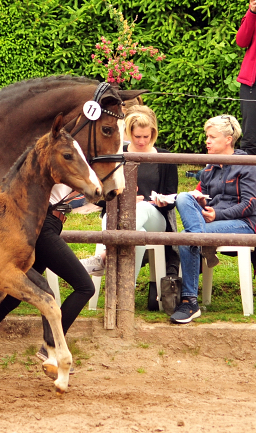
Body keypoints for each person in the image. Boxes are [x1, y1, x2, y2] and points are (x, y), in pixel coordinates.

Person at [0, 184, 95, 382]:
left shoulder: (80, 161)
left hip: (47, 225)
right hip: (45, 227)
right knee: (85, 287)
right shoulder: (68, 157)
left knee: (12, 298)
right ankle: (51, 346)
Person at [171, 115, 256, 324]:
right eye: (206, 136)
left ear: (228, 139)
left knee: (186, 237)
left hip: (245, 224)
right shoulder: (208, 168)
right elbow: (208, 200)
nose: (206, 141)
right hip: (212, 224)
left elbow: (250, 204)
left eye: (212, 137)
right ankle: (201, 240)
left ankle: (190, 301)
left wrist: (217, 214)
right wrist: (202, 206)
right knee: (184, 197)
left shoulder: (246, 164)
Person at [81, 105, 179, 282]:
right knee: (134, 231)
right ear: (129, 133)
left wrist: (159, 201)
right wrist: (122, 198)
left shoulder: (165, 157)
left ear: (153, 134)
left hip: (154, 218)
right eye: (137, 137)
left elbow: (172, 197)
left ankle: (103, 256)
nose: (142, 141)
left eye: (146, 137)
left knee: (140, 207)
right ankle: (126, 294)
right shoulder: (116, 156)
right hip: (121, 219)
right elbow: (98, 196)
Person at [237, 0, 256, 155]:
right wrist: (252, 12)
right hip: (252, 84)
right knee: (250, 138)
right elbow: (241, 41)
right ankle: (247, 177)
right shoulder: (252, 13)